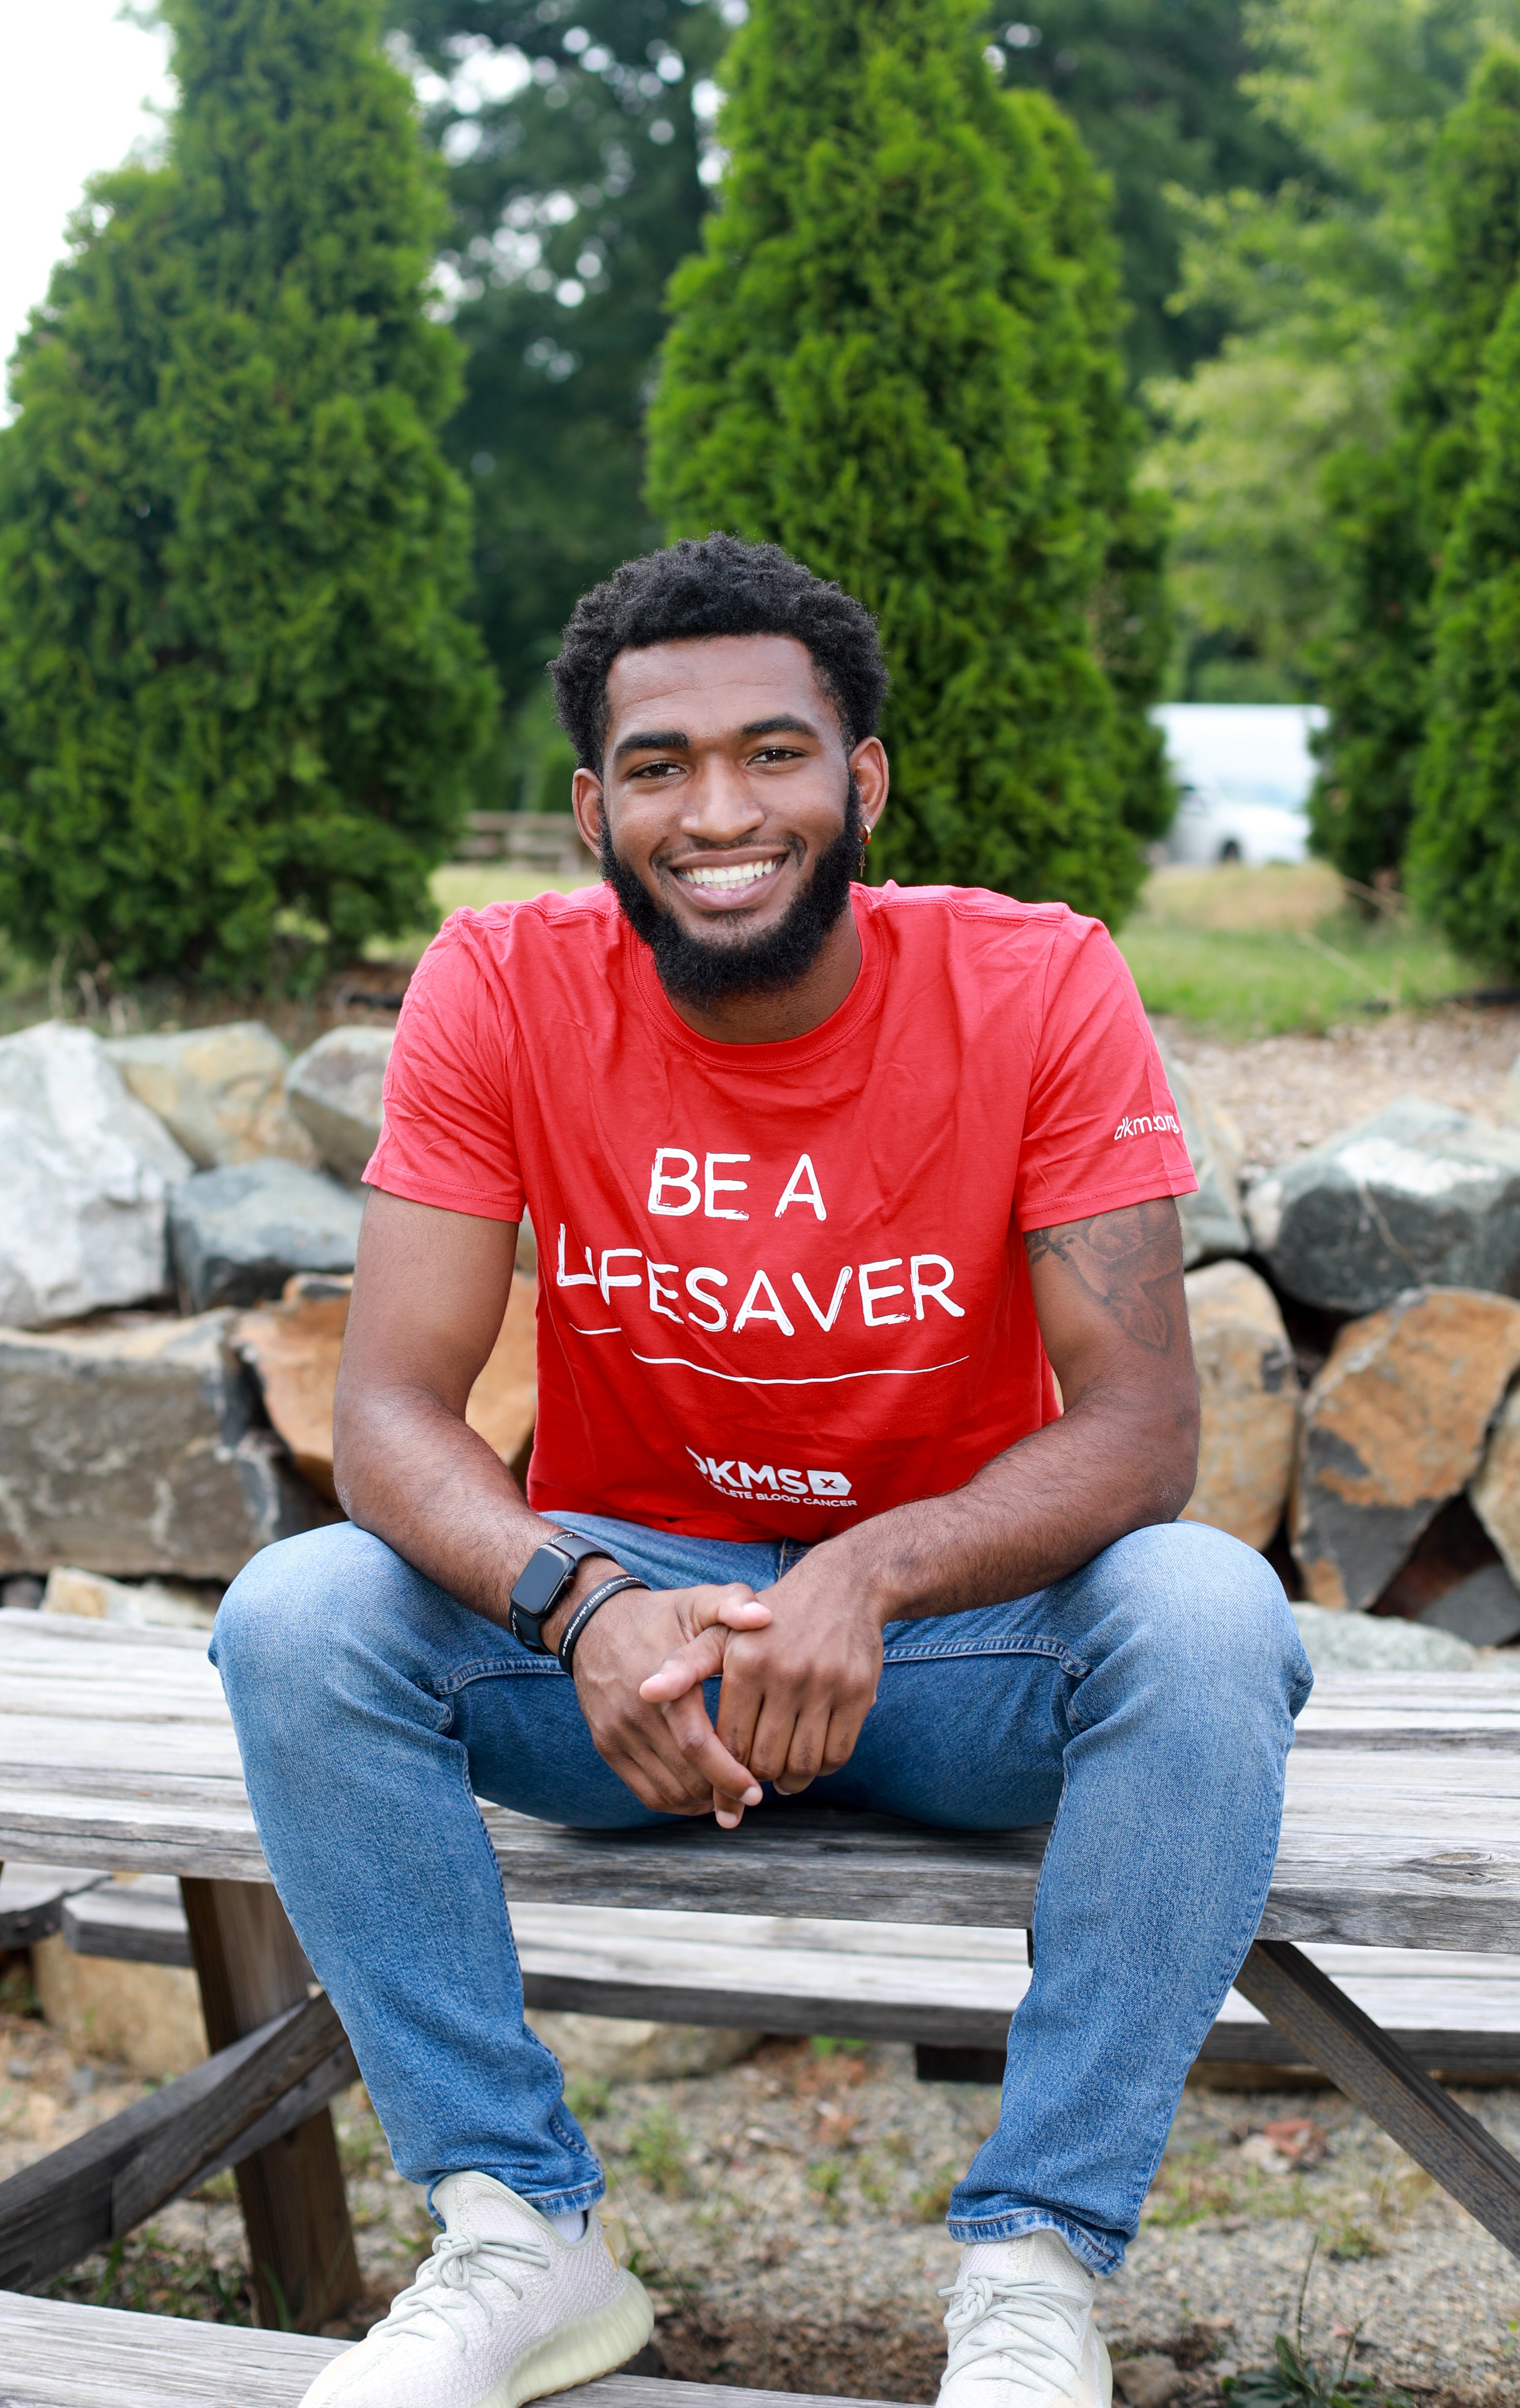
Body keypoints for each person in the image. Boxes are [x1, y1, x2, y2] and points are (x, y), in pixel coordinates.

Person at [213, 534, 1310, 2408]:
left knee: (1211, 1611)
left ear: (861, 778)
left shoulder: (1039, 984)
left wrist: (867, 1575)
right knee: (297, 1612)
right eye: (660, 766)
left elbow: (1142, 1428)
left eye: (773, 753)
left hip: (952, 1648)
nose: (719, 810)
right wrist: (580, 1604)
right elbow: (389, 1408)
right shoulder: (498, 983)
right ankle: (519, 2233)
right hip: (635, 1660)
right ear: (590, 809)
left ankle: (1033, 2271)